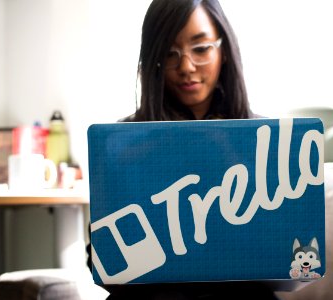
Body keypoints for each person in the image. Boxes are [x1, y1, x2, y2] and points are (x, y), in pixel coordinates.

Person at [88, 0, 278, 298]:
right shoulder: (122, 140)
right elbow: (103, 266)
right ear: (153, 60)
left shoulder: (265, 138)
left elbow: (280, 249)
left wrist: (229, 156)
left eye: (201, 49)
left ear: (224, 49)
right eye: (168, 53)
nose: (186, 67)